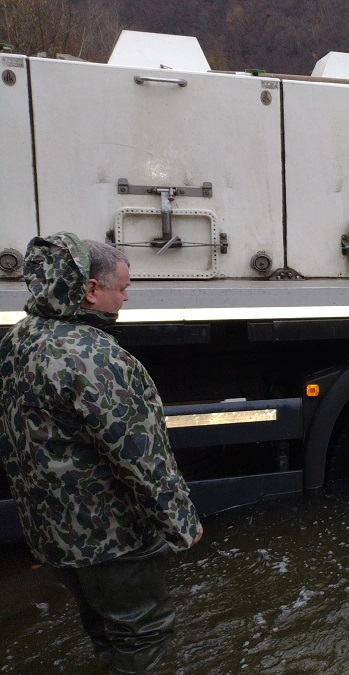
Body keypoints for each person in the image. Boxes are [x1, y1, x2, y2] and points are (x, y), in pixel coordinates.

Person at [0, 233, 202, 673]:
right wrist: (182, 522)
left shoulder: (19, 339)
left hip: (52, 533)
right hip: (110, 535)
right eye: (122, 287)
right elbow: (138, 455)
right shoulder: (94, 357)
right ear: (91, 290)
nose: (127, 296)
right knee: (142, 632)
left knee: (103, 627)